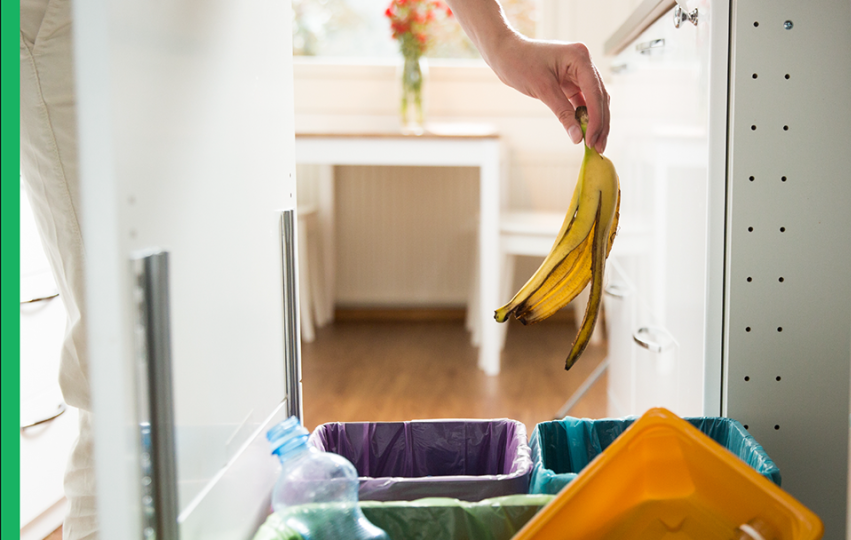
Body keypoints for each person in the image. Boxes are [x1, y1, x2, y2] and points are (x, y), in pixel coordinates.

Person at [18, 0, 610, 538]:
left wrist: (503, 44)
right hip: (86, 23)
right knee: (129, 369)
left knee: (206, 351)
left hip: (207, 29)